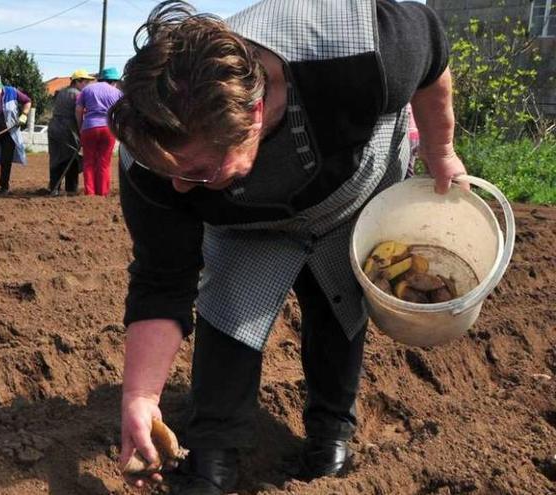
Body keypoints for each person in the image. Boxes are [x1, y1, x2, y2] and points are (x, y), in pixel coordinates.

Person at [110, 1, 467, 493]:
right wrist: (140, 396)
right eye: (171, 171)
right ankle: (212, 455)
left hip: (351, 186)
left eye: (197, 171)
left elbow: (432, 51)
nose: (181, 189)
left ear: (254, 113)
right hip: (247, 223)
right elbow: (162, 278)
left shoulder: (357, 52)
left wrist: (440, 149)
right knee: (230, 307)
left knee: (336, 302)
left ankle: (329, 436)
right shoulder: (151, 155)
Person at [47, 69, 96, 195]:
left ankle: (54, 188)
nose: (88, 85)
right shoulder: (78, 95)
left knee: (56, 158)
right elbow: (79, 113)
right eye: (86, 82)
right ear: (78, 81)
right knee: (72, 158)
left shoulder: (61, 92)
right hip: (67, 129)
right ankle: (71, 189)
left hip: (54, 127)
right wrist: (82, 129)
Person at [76, 67, 123, 196]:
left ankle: (90, 192)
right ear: (114, 81)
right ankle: (102, 192)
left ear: (101, 78)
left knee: (89, 161)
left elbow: (79, 111)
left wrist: (81, 127)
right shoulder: (117, 93)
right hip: (108, 128)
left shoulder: (87, 89)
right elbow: (121, 113)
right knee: (104, 162)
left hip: (89, 127)